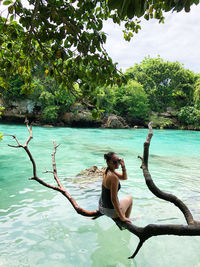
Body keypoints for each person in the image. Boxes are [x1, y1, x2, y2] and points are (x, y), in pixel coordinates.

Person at [99, 152, 132, 223]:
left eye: (118, 161)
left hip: (101, 207)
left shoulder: (107, 171)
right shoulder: (113, 178)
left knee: (123, 200)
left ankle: (123, 216)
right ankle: (124, 222)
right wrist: (122, 217)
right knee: (130, 198)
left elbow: (124, 177)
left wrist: (123, 166)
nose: (117, 163)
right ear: (108, 163)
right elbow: (113, 199)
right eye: (114, 162)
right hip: (110, 211)